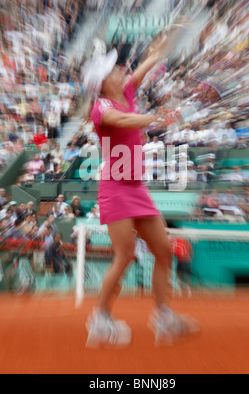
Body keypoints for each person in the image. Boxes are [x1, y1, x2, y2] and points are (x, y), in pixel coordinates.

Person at [84, 31, 200, 348]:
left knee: (163, 250)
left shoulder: (126, 90)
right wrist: (153, 117)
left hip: (137, 188)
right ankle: (100, 320)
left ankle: (163, 317)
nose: (122, 68)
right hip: (115, 188)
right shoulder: (101, 106)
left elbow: (147, 62)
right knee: (124, 256)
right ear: (103, 80)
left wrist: (163, 44)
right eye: (115, 68)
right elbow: (119, 120)